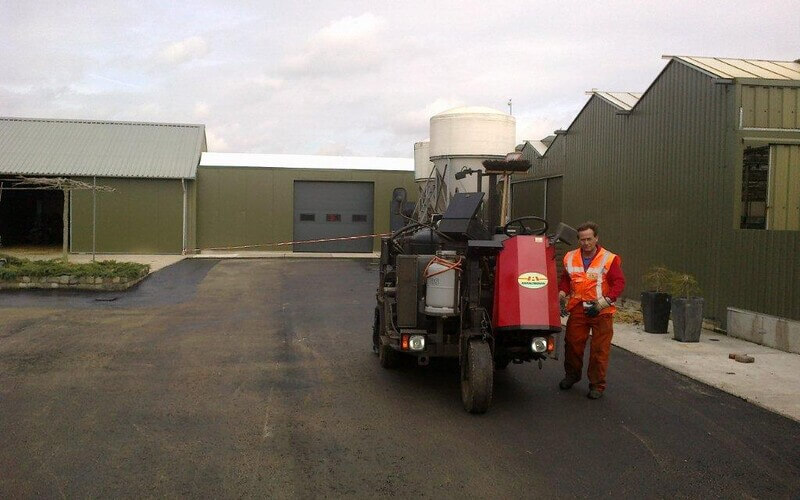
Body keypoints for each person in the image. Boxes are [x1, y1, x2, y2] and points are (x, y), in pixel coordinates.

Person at [558, 221, 625, 399]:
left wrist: (604, 302)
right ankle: (572, 375)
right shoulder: (570, 257)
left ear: (596, 238)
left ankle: (597, 385)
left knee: (599, 350)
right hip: (579, 308)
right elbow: (566, 278)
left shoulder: (608, 258)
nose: (586, 243)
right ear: (578, 240)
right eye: (582, 240)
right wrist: (562, 292)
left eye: (589, 239)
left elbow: (619, 283)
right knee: (572, 345)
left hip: (601, 310)